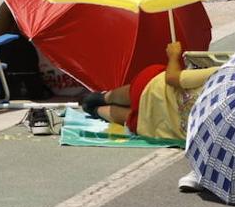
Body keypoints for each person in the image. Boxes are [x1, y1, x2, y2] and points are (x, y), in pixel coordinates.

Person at [80, 41, 219, 142]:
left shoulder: (223, 73)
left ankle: (101, 98)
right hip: (160, 126)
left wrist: (173, 56)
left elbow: (172, 78)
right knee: (131, 117)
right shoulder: (229, 129)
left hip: (154, 89)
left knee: (140, 87)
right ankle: (95, 110)